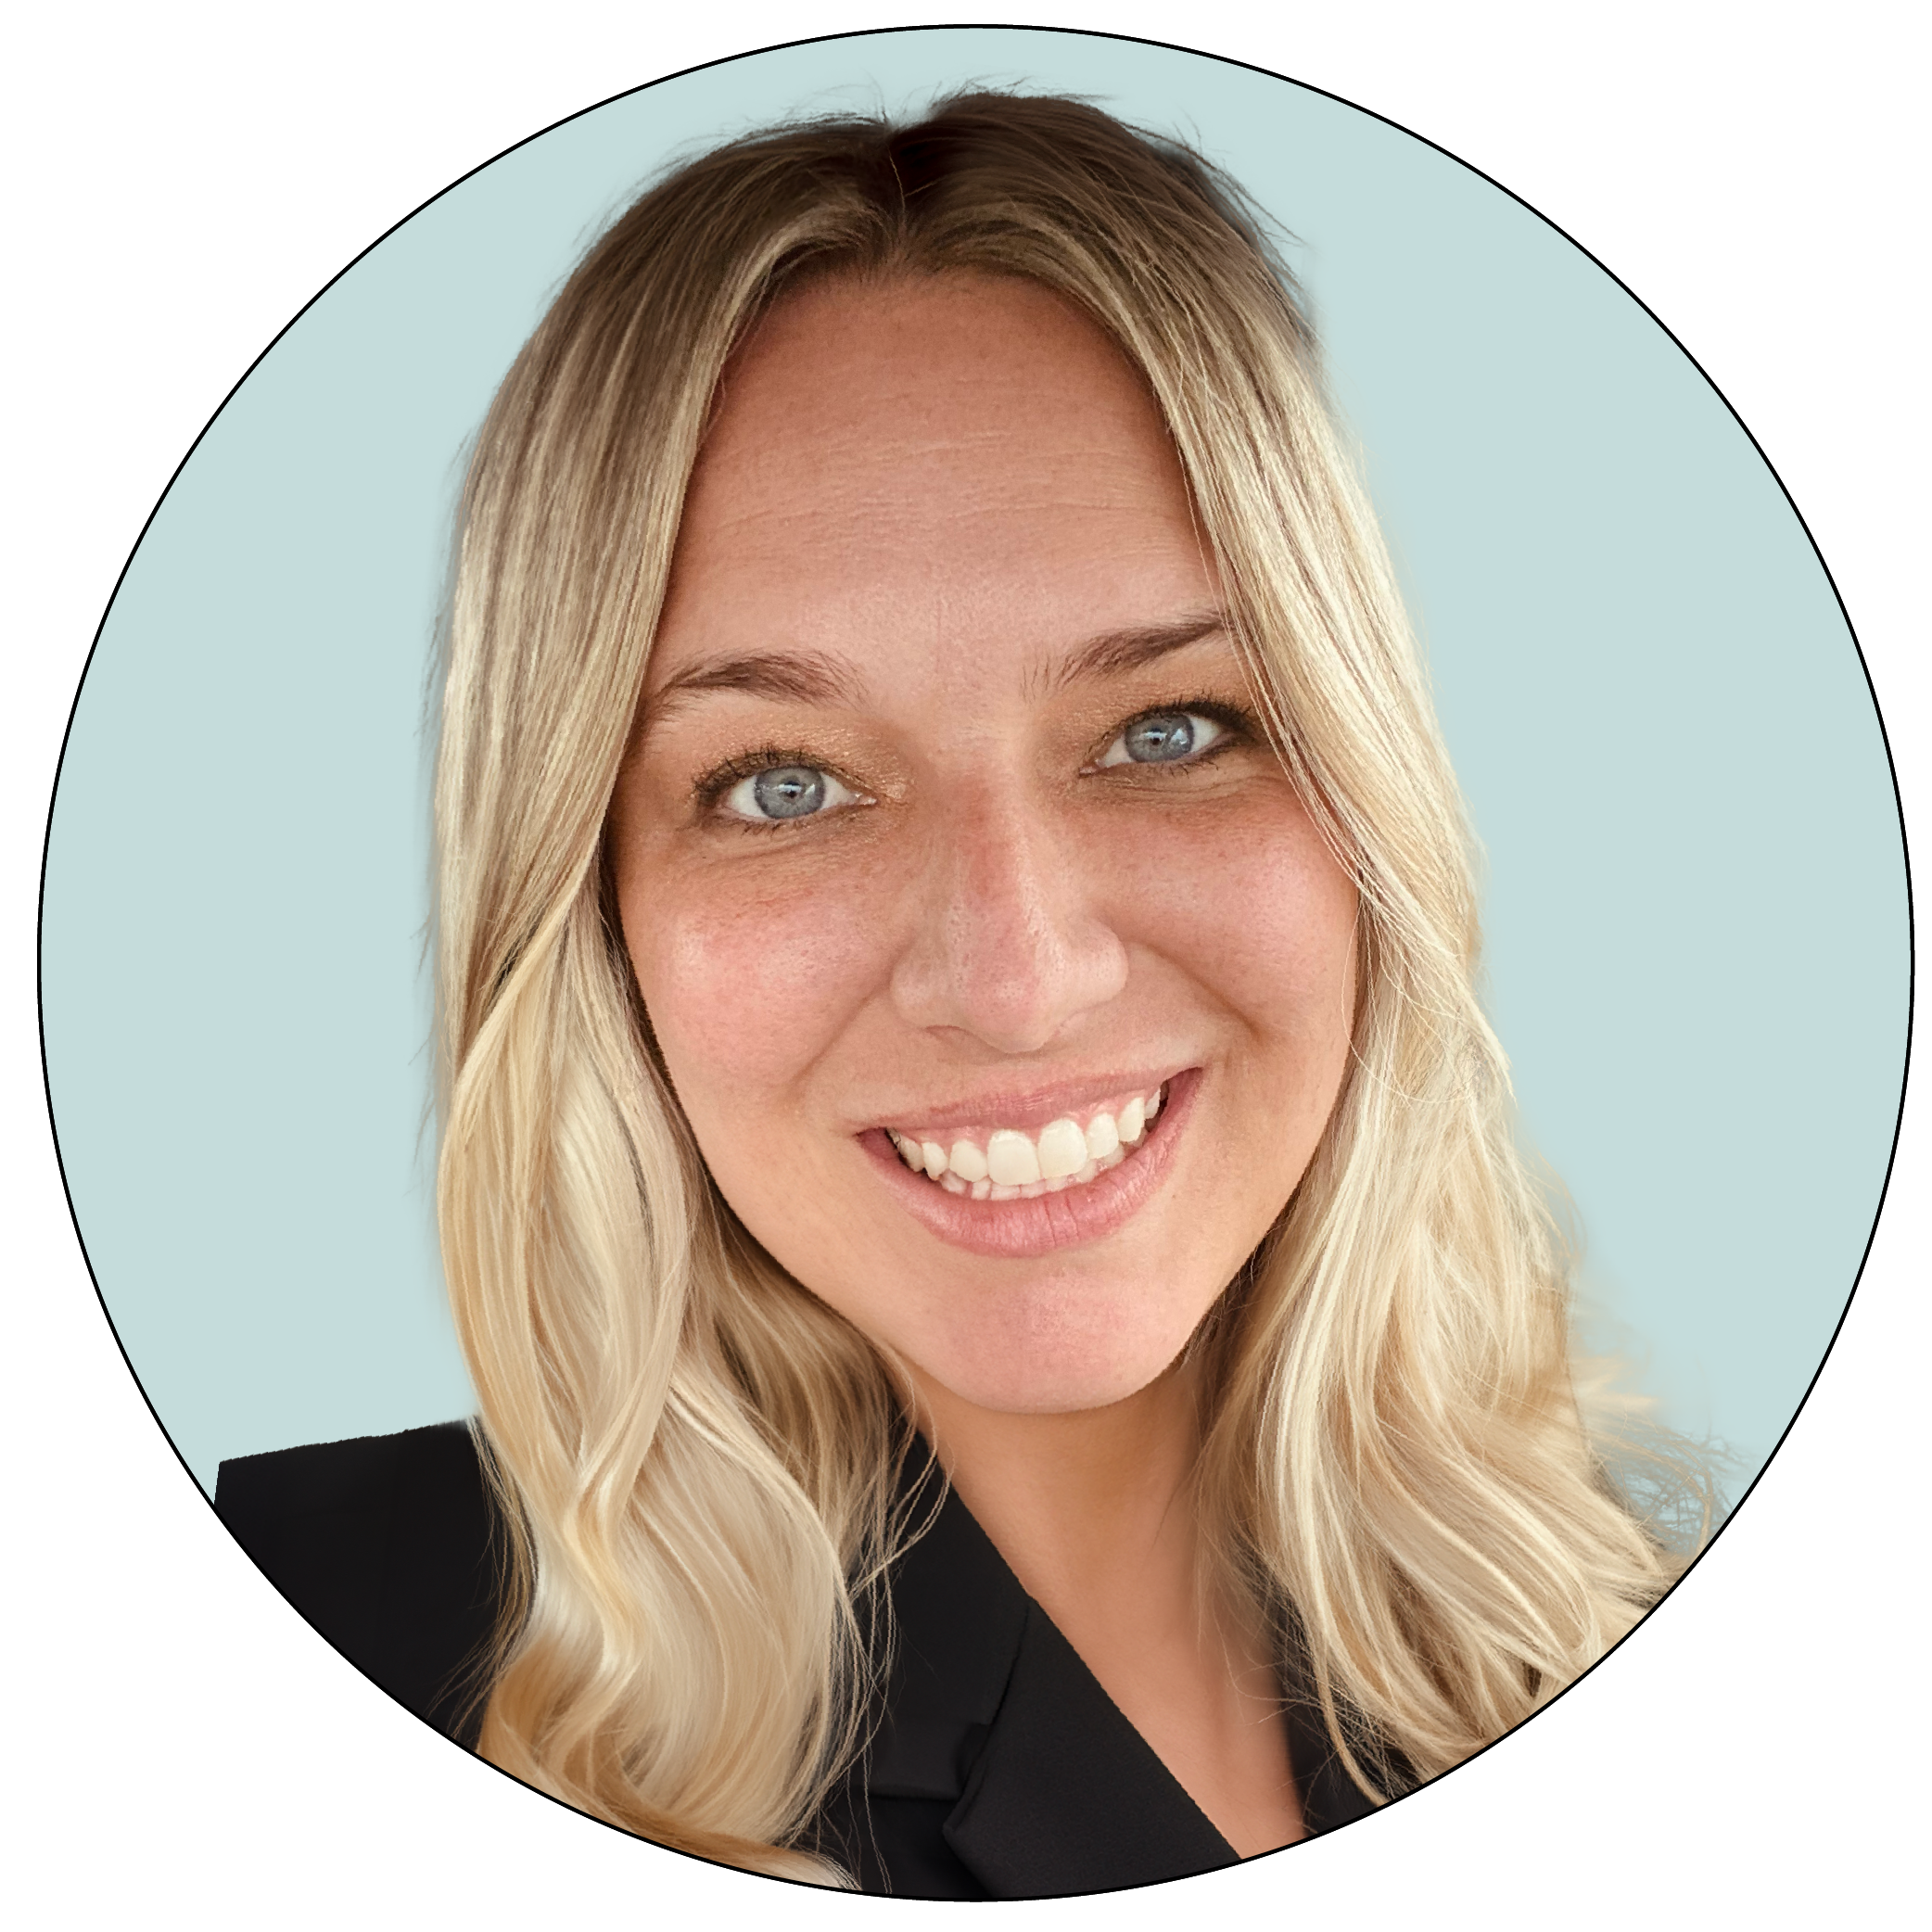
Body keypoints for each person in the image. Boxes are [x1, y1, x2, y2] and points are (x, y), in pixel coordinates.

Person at [216, 90, 1712, 1893]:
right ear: (592, 905)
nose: (1015, 979)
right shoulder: (344, 1614)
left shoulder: (1579, 1609)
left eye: (1171, 730)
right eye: (783, 783)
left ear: (1367, 805)